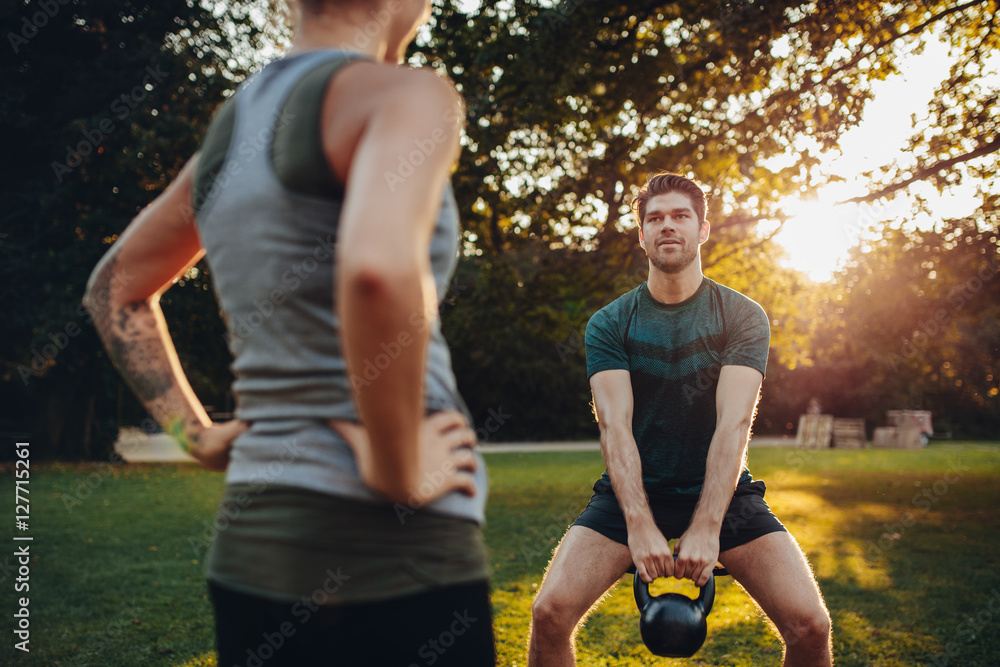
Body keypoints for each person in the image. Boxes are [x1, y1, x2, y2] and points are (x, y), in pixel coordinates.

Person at [84, 1, 495, 664]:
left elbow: (113, 290)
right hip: (395, 554)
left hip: (253, 549)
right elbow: (377, 272)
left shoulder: (232, 130)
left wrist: (196, 434)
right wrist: (398, 472)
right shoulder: (412, 95)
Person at [527, 173, 832, 666]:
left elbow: (734, 425)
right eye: (655, 218)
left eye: (680, 216)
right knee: (550, 612)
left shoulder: (742, 316)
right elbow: (615, 427)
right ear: (642, 234)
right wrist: (639, 522)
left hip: (722, 492)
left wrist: (708, 524)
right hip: (631, 491)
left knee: (810, 626)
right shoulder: (610, 323)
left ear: (703, 229)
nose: (667, 226)